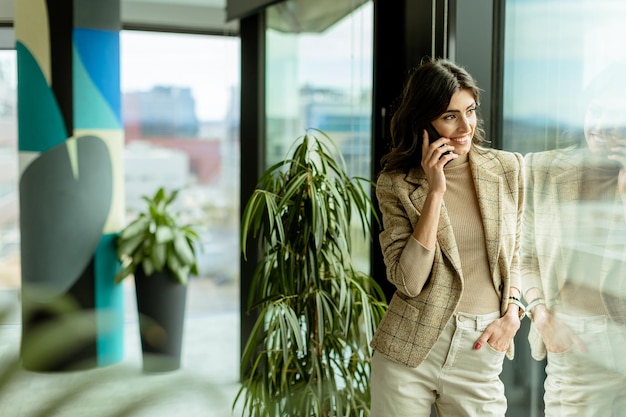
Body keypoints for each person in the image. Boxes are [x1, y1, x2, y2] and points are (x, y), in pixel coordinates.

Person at [369, 57, 525, 417]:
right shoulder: (397, 184)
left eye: (469, 111)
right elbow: (408, 281)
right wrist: (435, 194)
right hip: (410, 350)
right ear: (425, 121)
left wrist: (513, 313)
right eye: (450, 116)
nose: (465, 126)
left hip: (480, 347)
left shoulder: (506, 168)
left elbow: (522, 251)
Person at [522, 64, 626, 417]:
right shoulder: (545, 170)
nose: (598, 127)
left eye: (613, 116)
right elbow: (523, 257)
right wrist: (541, 316)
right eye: (594, 112)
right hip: (579, 342)